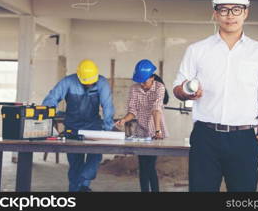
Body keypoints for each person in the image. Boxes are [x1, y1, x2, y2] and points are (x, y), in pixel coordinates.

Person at [173, 0, 258, 192]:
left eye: (236, 9)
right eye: (224, 9)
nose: (230, 15)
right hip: (206, 136)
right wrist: (186, 90)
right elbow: (178, 87)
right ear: (215, 14)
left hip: (245, 139)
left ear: (246, 13)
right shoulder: (197, 50)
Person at [42, 59, 115, 192]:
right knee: (75, 163)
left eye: (92, 82)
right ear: (78, 76)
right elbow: (51, 99)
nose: (90, 84)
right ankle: (77, 189)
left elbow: (107, 106)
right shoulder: (68, 82)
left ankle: (82, 184)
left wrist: (108, 128)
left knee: (95, 156)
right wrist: (47, 113)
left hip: (94, 128)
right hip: (72, 129)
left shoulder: (102, 83)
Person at [115, 59, 169, 192]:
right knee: (142, 165)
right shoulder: (135, 89)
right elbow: (133, 111)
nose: (142, 85)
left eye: (144, 81)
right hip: (141, 131)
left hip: (156, 130)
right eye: (140, 81)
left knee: (150, 165)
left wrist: (157, 131)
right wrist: (124, 120)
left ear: (152, 77)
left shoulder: (159, 87)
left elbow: (156, 109)